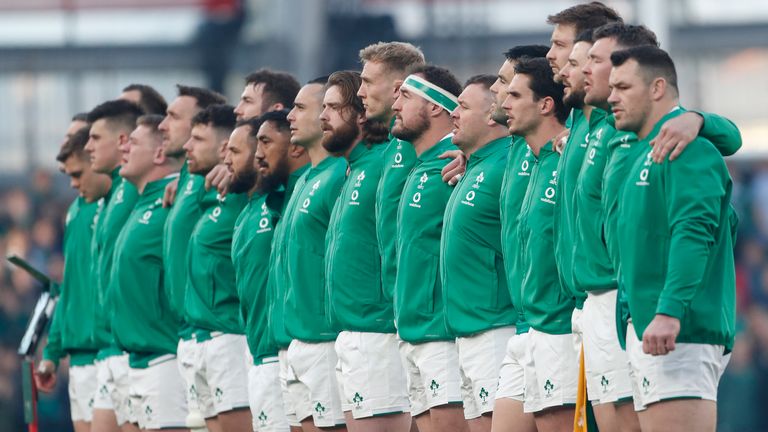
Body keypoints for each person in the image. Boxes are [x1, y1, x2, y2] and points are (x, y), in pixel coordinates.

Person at [608, 45, 737, 432]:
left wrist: (669, 311)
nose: (612, 97)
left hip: (680, 330)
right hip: (650, 327)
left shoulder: (688, 148)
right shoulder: (641, 153)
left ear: (657, 87)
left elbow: (694, 234)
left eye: (623, 87)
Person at [322, 71, 409, 432]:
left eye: (333, 107)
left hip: (377, 332)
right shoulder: (353, 168)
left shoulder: (384, 160)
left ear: (360, 114)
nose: (322, 116)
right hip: (351, 333)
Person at [501, 57, 574, 432]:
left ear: (546, 104)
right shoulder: (531, 159)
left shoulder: (568, 156)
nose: (504, 102)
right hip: (527, 329)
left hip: (558, 328)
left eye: (514, 94)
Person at [392, 65, 466, 432]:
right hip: (412, 332)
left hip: (442, 334)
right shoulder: (419, 166)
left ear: (436, 107)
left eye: (405, 96)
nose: (395, 105)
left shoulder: (457, 161)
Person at [440, 74, 514, 432]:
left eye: (463, 107)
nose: (454, 114)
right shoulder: (475, 165)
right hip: (466, 332)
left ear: (491, 116)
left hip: (495, 328)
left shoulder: (505, 164)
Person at [110, 114, 187, 431]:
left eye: (134, 142)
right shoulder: (141, 205)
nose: (123, 149)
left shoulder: (171, 203)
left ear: (158, 154)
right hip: (135, 360)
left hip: (163, 361)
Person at [281, 77, 347, 431]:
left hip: (324, 339)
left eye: (300, 107)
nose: (290, 115)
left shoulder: (338, 174)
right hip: (298, 339)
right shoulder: (306, 178)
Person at [157, 85, 226, 428]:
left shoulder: (219, 176)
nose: (162, 126)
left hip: (217, 334)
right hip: (189, 337)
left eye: (173, 117)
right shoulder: (188, 175)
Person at [36, 122, 112, 432]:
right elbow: (71, 284)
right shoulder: (76, 209)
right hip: (80, 358)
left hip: (107, 353)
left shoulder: (115, 203)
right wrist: (53, 351)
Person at [490, 45, 548, 432]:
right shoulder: (515, 147)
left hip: (554, 322)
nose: (499, 91)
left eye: (508, 85)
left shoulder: (562, 145)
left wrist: (694, 119)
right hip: (524, 325)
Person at [182, 104, 250, 432]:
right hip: (201, 337)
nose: (186, 145)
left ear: (223, 148)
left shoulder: (249, 191)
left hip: (230, 337)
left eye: (197, 138)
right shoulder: (204, 192)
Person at [227, 113, 295, 432]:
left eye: (235, 152)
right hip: (256, 355)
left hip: (279, 352)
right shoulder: (247, 211)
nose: (227, 160)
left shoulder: (282, 197)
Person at [83, 99, 144, 432]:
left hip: (132, 347)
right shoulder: (113, 194)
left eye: (95, 138)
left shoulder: (134, 188)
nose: (88, 147)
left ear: (122, 141)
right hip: (111, 345)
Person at [357, 42, 425, 332]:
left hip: (422, 314)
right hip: (401, 310)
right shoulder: (394, 145)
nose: (360, 92)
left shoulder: (425, 141)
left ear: (397, 88)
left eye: (367, 82)